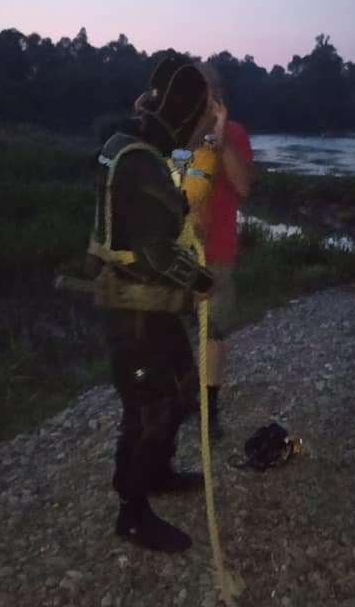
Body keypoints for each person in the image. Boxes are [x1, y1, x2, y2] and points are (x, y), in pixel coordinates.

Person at [86, 54, 223, 553]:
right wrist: (202, 280)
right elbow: (155, 250)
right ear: (184, 115)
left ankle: (159, 473)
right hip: (134, 308)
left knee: (182, 388)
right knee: (148, 407)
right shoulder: (142, 160)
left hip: (150, 303)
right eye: (199, 116)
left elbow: (153, 211)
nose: (200, 125)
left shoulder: (126, 145)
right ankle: (132, 510)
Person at [194, 66, 254, 439]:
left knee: (213, 331)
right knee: (171, 331)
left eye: (213, 89)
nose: (208, 95)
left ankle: (209, 409)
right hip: (175, 254)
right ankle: (179, 399)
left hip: (217, 251)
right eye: (200, 89)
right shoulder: (172, 133)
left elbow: (243, 186)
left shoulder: (233, 134)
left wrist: (220, 135)